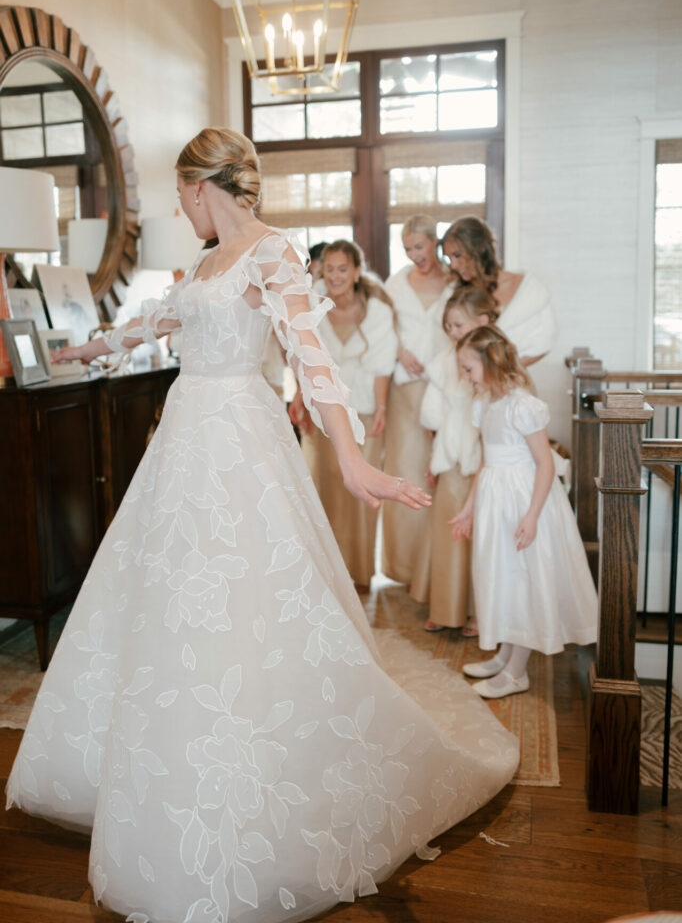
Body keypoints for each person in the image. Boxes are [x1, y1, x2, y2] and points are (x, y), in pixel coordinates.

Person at [6, 128, 518, 923]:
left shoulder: (273, 253)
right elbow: (154, 325)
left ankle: (245, 785)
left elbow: (311, 358)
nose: (182, 208)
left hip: (241, 435)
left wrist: (353, 461)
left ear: (200, 185)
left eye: (181, 194)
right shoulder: (205, 263)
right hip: (184, 439)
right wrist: (80, 352)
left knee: (247, 598)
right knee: (168, 598)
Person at [450, 325, 597, 699]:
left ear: (491, 362)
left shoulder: (523, 406)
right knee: (504, 578)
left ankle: (517, 673)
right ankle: (505, 656)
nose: (465, 377)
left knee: (523, 580)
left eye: (468, 369)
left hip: (524, 502)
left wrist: (531, 516)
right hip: (495, 502)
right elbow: (485, 461)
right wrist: (468, 509)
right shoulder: (485, 405)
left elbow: (545, 464)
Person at [293, 240, 398, 594]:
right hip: (323, 408)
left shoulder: (377, 311)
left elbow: (383, 365)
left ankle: (360, 572)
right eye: (329, 269)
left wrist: (381, 407)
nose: (335, 276)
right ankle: (326, 573)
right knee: (324, 487)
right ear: (321, 271)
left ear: (356, 272)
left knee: (361, 492)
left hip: (364, 408)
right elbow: (302, 357)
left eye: (342, 269)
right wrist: (300, 397)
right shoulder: (311, 305)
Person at [415, 288, 498, 634]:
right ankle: (446, 607)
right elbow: (433, 415)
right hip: (450, 454)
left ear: (483, 321)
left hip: (483, 456)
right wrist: (435, 455)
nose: (452, 332)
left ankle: (481, 613)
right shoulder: (444, 361)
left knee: (482, 536)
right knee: (449, 529)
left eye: (459, 325)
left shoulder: (497, 358)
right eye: (448, 326)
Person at [382, 215, 454, 586]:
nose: (414, 255)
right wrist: (399, 351)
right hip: (405, 392)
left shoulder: (455, 282)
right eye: (407, 249)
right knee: (407, 470)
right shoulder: (395, 284)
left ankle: (439, 570)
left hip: (446, 389)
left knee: (440, 471)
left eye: (419, 246)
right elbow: (380, 327)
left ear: (434, 242)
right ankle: (405, 567)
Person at [441, 216, 557, 369]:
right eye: (449, 258)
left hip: (511, 378)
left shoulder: (527, 291)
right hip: (466, 381)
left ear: (480, 248)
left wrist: (504, 371)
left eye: (457, 255)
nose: (453, 265)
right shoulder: (453, 295)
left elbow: (545, 340)